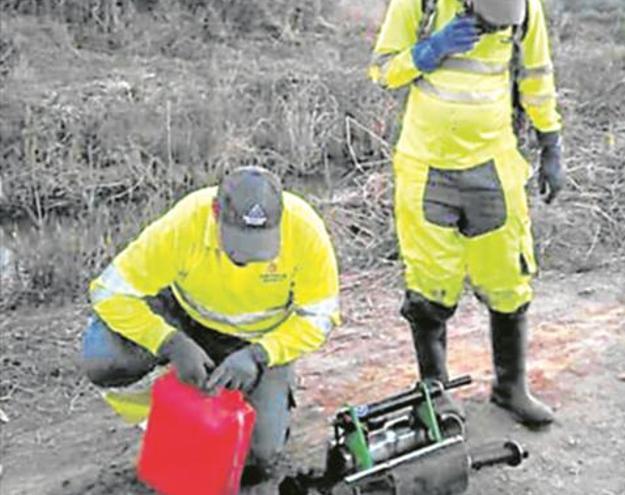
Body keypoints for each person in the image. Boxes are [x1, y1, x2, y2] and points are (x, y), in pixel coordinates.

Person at [80, 166, 341, 492]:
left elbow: (319, 316)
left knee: (261, 454)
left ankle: (258, 399)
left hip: (259, 341)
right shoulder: (186, 222)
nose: (246, 260)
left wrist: (261, 354)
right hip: (186, 321)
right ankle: (162, 420)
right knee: (105, 358)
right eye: (237, 246)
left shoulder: (305, 231)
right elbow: (109, 292)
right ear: (216, 213)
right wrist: (170, 342)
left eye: (260, 247)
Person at [369, 0, 563, 427]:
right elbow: (382, 71)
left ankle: (511, 388)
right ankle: (435, 395)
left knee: (509, 278)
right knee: (429, 284)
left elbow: (536, 75)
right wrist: (429, 51)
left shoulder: (526, 9)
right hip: (425, 167)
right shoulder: (420, 5)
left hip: (493, 165)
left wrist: (551, 143)